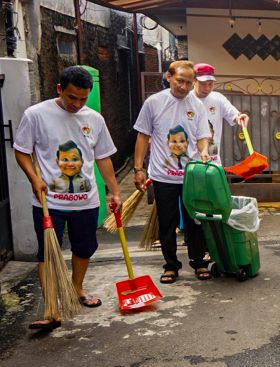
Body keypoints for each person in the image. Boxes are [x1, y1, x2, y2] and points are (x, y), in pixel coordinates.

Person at [13, 66, 122, 331]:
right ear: (59, 89)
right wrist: (33, 178)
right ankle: (51, 308)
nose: (77, 104)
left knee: (85, 248)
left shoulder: (94, 118)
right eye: (72, 97)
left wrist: (115, 191)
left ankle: (76, 289)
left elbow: (103, 157)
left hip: (86, 201)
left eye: (83, 99)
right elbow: (22, 151)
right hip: (49, 202)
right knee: (48, 253)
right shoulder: (36, 115)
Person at [133, 60, 212, 284]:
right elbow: (143, 136)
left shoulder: (196, 105)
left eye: (189, 82)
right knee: (167, 223)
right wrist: (138, 168)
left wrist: (204, 150)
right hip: (162, 176)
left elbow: (202, 136)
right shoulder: (154, 103)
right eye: (180, 81)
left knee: (195, 221)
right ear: (169, 77)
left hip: (192, 176)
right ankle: (171, 265)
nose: (184, 87)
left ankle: (198, 262)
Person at [192, 63, 248, 163]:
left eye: (210, 84)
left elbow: (233, 114)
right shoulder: (185, 100)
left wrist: (239, 118)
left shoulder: (218, 98)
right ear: (194, 81)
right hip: (188, 162)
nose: (207, 88)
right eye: (203, 84)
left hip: (212, 162)